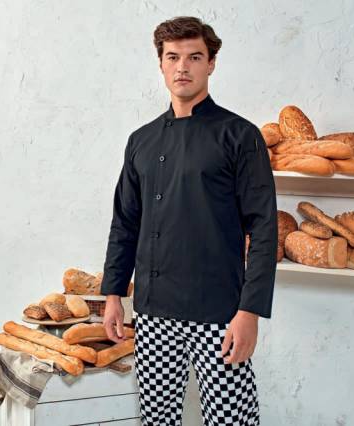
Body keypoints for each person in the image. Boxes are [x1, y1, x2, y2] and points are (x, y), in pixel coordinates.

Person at [99, 16, 278, 426]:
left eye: (195, 57)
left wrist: (249, 312)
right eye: (173, 57)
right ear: (161, 64)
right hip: (153, 311)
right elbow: (125, 222)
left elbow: (264, 228)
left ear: (211, 64)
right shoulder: (141, 140)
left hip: (220, 313)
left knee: (232, 420)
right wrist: (113, 294)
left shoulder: (240, 135)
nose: (183, 67)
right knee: (157, 420)